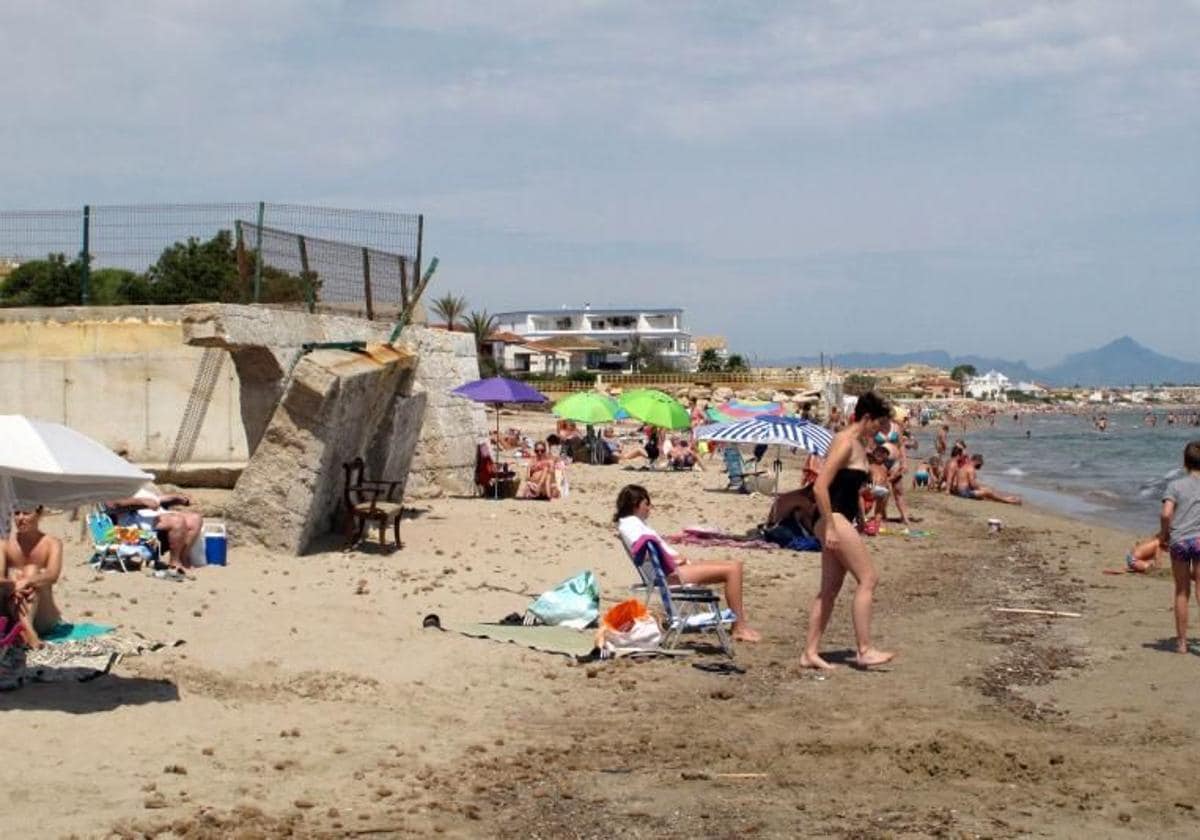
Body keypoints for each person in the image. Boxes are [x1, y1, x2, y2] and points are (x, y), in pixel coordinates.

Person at [800, 391, 896, 670]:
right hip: (833, 519)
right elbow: (820, 486)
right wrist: (830, 525)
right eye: (878, 424)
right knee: (868, 579)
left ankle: (809, 653)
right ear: (866, 418)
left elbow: (844, 485)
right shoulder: (845, 442)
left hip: (838, 518)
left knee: (829, 590)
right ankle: (864, 649)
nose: (879, 431)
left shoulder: (854, 443)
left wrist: (862, 512)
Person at [614, 484, 760, 642]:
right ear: (635, 504)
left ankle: (739, 624)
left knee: (733, 565)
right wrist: (673, 560)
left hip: (670, 571)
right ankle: (739, 627)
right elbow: (644, 553)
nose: (649, 508)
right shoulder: (631, 524)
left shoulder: (632, 523)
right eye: (646, 504)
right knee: (733, 569)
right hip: (669, 574)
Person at [2, 506, 63, 648]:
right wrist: (13, 586)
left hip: (43, 616)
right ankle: (27, 630)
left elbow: (52, 575)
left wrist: (27, 581)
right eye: (17, 513)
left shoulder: (52, 543)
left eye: (26, 513)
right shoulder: (4, 544)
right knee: (13, 575)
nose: (20, 518)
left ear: (39, 514)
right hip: (11, 611)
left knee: (32, 570)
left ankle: (25, 630)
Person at [107, 484, 203, 572]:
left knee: (195, 519)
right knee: (177, 521)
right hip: (131, 525)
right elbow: (111, 503)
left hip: (153, 514)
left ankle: (183, 557)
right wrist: (141, 501)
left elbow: (155, 500)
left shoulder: (134, 483)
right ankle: (174, 561)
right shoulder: (111, 485)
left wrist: (175, 497)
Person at [1161, 441, 1200, 653]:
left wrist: (1164, 535)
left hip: (1181, 541)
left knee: (1181, 591)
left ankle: (1182, 643)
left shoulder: (1175, 485)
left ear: (1185, 462)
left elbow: (1166, 513)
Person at [951, 455, 1022, 505]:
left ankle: (1005, 498)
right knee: (988, 491)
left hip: (960, 491)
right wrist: (982, 489)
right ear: (977, 461)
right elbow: (973, 485)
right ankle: (1008, 501)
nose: (980, 466)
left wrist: (981, 489)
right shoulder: (971, 469)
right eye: (980, 464)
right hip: (964, 493)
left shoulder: (964, 466)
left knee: (987, 491)